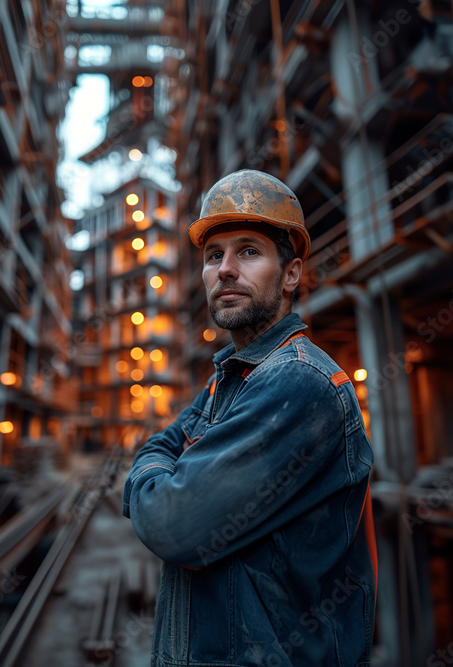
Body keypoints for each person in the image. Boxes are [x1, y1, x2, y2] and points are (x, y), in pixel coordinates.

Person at [123, 169, 378, 666]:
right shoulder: (229, 379)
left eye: (249, 251)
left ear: (290, 274)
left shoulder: (298, 384)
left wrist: (151, 476)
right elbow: (161, 444)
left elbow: (171, 525)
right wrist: (160, 468)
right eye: (214, 255)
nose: (225, 270)